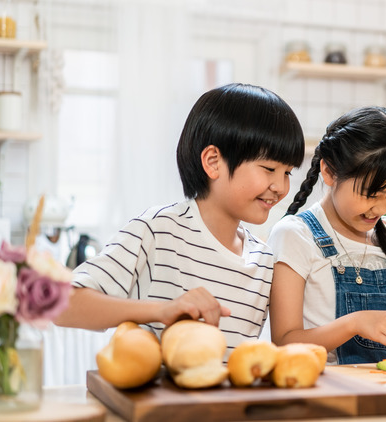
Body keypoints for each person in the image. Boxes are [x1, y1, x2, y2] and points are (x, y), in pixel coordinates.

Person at [54, 83, 305, 352]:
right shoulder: (158, 230)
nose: (280, 186)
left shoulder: (264, 260)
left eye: (287, 173)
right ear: (212, 161)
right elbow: (62, 305)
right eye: (269, 168)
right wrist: (162, 310)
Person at [268, 106, 386, 365]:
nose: (381, 209)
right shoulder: (295, 236)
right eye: (371, 194)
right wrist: (354, 323)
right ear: (328, 172)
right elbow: (283, 342)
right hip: (328, 396)